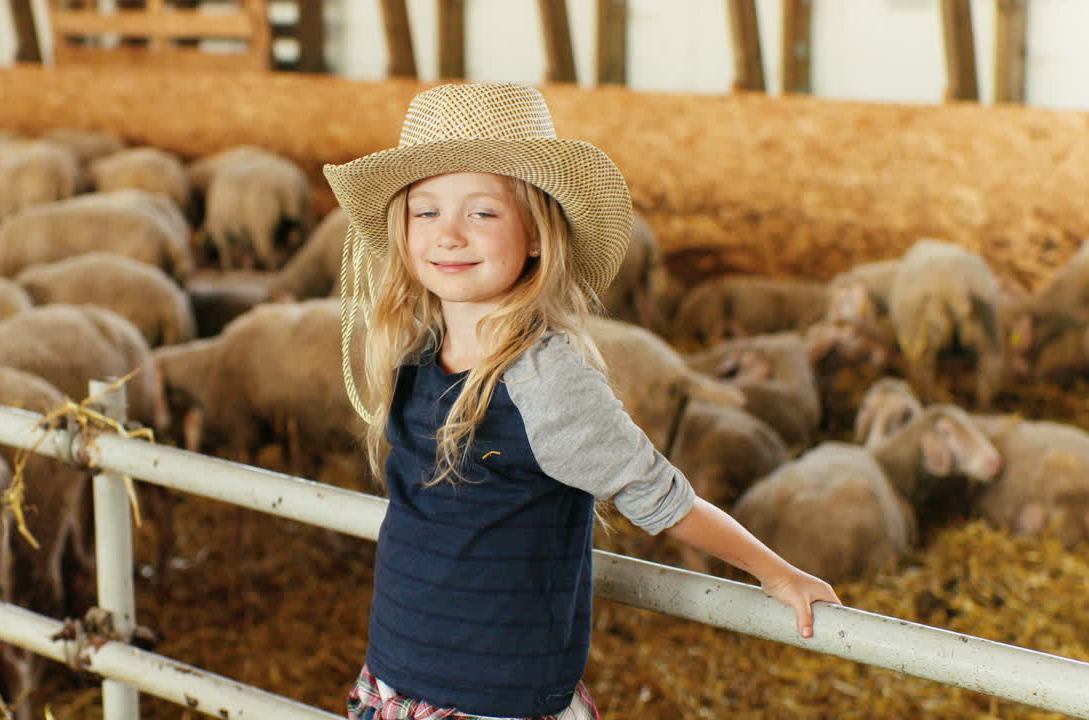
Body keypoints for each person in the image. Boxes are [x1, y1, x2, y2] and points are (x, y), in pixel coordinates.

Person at [323, 82, 841, 720]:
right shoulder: (417, 354)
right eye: (425, 212)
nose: (449, 235)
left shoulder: (543, 375)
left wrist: (774, 571)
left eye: (481, 212)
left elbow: (656, 493)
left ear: (537, 234)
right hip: (397, 678)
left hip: (494, 701)